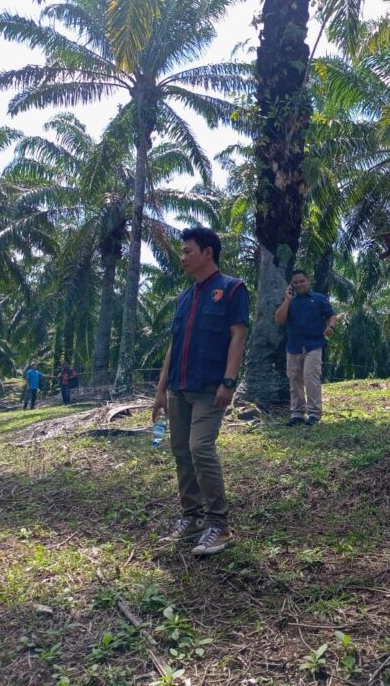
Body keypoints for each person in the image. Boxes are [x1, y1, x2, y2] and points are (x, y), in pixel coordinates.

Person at [152, 226, 249, 556]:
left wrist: (229, 381)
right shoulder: (183, 297)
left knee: (200, 448)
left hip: (210, 388)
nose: (182, 257)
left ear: (208, 252)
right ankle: (191, 518)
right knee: (181, 452)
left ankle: (219, 525)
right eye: (182, 252)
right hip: (179, 388)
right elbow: (173, 346)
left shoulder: (232, 289)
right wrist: (161, 391)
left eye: (187, 251)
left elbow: (238, 336)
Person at [273, 269, 337, 426]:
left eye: (302, 281)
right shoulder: (289, 302)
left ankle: (314, 413)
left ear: (308, 281)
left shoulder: (319, 299)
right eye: (295, 282)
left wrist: (331, 327)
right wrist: (287, 300)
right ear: (291, 285)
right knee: (294, 379)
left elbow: (332, 315)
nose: (299, 284)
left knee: (310, 377)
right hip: (293, 346)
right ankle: (297, 413)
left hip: (314, 345)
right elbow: (279, 320)